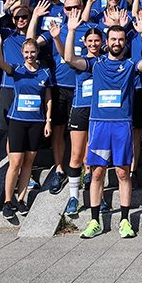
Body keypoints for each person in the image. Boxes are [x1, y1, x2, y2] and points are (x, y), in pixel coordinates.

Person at [64, 10, 142, 239]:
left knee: (124, 174)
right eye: (113, 39)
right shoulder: (96, 64)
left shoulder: (130, 65)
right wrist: (72, 31)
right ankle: (94, 221)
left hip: (122, 125)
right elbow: (69, 59)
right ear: (107, 42)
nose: (117, 43)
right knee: (96, 174)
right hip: (99, 125)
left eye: (121, 40)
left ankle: (124, 220)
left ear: (125, 43)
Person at [48, 20, 103, 217]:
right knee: (76, 155)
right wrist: (67, 32)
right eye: (90, 40)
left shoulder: (105, 61)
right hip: (80, 109)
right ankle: (73, 198)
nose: (94, 44)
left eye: (97, 40)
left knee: (97, 156)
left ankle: (99, 197)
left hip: (100, 112)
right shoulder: (80, 61)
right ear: (85, 42)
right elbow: (67, 56)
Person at [0, 34, 52, 218]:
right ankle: (7, 201)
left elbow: (48, 98)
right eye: (26, 52)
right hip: (18, 121)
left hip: (36, 122)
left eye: (33, 52)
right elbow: (1, 64)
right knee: (15, 162)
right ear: (22, 53)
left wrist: (48, 120)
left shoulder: (45, 72)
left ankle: (21, 199)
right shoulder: (17, 70)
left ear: (37, 52)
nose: (30, 55)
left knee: (29, 162)